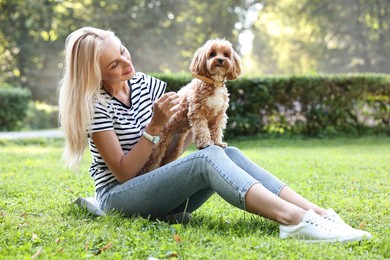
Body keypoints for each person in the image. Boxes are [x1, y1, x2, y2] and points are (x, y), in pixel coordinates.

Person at [58, 27, 372, 243]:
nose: (128, 63)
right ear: (96, 73)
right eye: (115, 63)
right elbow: (125, 174)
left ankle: (315, 212)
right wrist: (153, 127)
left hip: (158, 191)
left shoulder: (147, 85)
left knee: (227, 151)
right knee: (208, 156)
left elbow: (171, 151)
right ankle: (293, 221)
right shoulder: (95, 106)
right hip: (121, 198)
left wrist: (183, 127)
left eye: (124, 52)